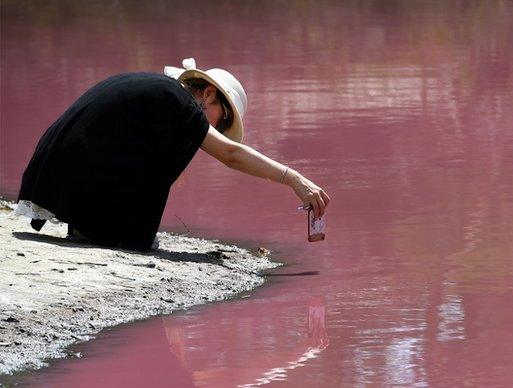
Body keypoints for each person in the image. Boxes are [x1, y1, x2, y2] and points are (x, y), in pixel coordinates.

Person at [15, 58, 330, 251]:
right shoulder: (181, 105)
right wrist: (295, 179)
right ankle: (96, 227)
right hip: (70, 174)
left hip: (49, 174)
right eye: (222, 120)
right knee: (140, 241)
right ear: (208, 95)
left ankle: (90, 223)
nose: (217, 130)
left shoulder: (162, 94)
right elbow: (231, 155)